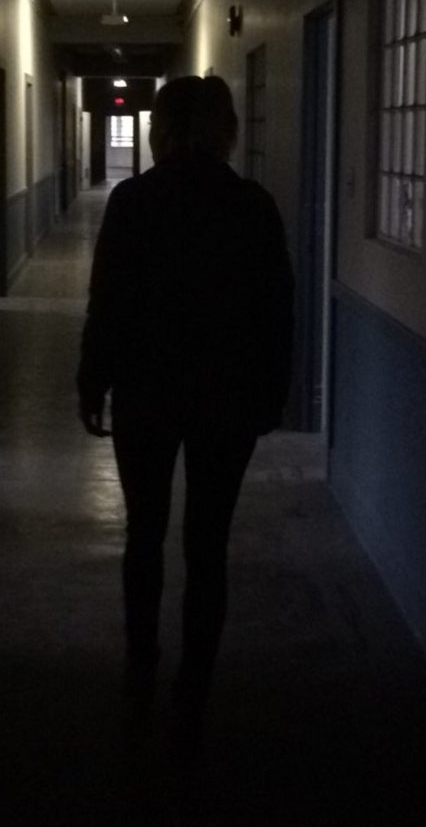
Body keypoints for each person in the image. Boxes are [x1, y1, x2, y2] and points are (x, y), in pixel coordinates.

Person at [78, 75, 294, 757]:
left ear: (161, 130)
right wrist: (271, 395)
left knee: (144, 536)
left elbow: (107, 300)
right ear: (228, 129)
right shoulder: (252, 206)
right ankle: (193, 689)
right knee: (208, 546)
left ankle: (141, 669)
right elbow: (277, 311)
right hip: (226, 400)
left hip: (146, 395)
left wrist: (93, 380)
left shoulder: (134, 202)